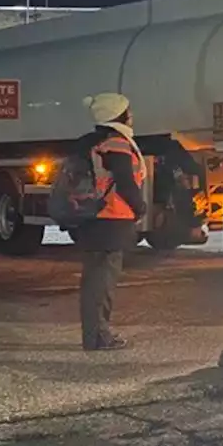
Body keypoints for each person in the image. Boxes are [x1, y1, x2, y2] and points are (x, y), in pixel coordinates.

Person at [75, 93, 146, 351]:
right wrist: (140, 207)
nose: (132, 116)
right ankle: (99, 337)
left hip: (93, 219)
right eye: (128, 111)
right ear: (119, 115)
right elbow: (125, 182)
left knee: (92, 280)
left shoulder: (93, 142)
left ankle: (93, 334)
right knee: (102, 283)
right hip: (112, 220)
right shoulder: (117, 144)